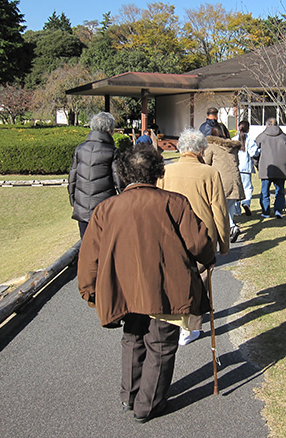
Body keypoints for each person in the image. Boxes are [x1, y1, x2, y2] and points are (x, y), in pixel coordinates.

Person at [77, 145, 216, 422]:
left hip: (123, 288)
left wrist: (91, 291)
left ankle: (130, 396)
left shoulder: (106, 208)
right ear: (157, 172)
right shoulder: (175, 203)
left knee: (133, 336)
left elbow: (89, 256)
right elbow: (201, 244)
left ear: (123, 174)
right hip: (165, 287)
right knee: (161, 344)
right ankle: (147, 405)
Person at [157, 128, 230, 346]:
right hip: (202, 235)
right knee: (200, 279)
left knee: (173, 277)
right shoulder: (209, 173)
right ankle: (191, 327)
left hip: (171, 232)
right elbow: (219, 210)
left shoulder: (165, 172)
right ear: (200, 150)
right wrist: (224, 243)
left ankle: (174, 321)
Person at [68, 111, 124, 238]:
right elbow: (119, 181)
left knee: (86, 246)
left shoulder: (80, 149)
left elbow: (72, 178)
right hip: (104, 208)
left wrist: (72, 201)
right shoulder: (112, 151)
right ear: (110, 130)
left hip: (82, 208)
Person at [204, 123, 245, 243]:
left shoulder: (211, 146)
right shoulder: (233, 147)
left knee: (219, 209)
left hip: (221, 181)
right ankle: (231, 229)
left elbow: (206, 163)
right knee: (229, 208)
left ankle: (231, 228)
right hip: (235, 180)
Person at [255, 118, 286, 219]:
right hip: (281, 168)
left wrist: (257, 165)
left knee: (265, 191)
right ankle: (278, 210)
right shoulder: (285, 137)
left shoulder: (261, 137)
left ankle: (266, 212)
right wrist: (285, 161)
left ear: (267, 125)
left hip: (266, 169)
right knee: (280, 191)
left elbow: (254, 153)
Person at [233, 120, 260, 216]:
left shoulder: (233, 140)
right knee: (247, 188)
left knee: (236, 189)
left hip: (235, 168)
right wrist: (259, 150)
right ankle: (246, 203)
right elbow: (254, 153)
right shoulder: (250, 140)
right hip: (246, 168)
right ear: (248, 129)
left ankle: (236, 210)